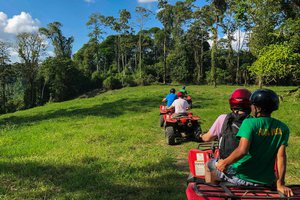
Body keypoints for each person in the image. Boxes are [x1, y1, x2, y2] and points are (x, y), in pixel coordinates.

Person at [206, 89, 294, 197]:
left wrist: (224, 163)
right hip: (266, 180)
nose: (251, 107)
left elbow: (242, 150)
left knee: (210, 165)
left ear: (257, 108)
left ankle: (213, 195)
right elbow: (281, 157)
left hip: (240, 178)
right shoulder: (283, 127)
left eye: (252, 105)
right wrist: (280, 183)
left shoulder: (249, 123)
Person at [201, 88, 252, 160]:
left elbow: (207, 138)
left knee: (208, 166)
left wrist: (201, 135)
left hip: (225, 164)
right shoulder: (254, 121)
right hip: (249, 163)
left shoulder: (223, 118)